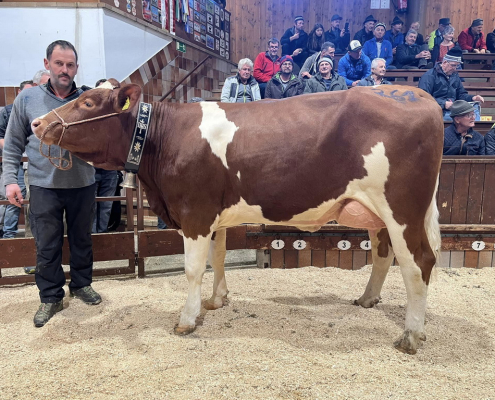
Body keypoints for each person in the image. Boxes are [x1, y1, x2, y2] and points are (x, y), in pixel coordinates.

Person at [2, 40, 101, 328]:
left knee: (82, 239)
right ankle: (50, 296)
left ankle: (81, 285)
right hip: (44, 184)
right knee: (46, 244)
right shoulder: (28, 100)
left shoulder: (87, 99)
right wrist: (10, 180)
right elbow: (12, 144)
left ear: (77, 68)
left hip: (82, 182)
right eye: (59, 63)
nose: (65, 70)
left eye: (70, 65)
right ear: (47, 64)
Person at [0, 80, 35, 241]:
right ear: (19, 93)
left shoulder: (36, 111)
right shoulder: (7, 111)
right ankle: (9, 237)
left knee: (31, 199)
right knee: (14, 196)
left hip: (32, 160)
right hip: (15, 160)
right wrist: (14, 146)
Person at [418, 46, 484, 121]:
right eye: (453, 65)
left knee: (473, 113)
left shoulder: (454, 76)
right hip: (436, 112)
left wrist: (473, 98)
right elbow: (423, 97)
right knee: (462, 120)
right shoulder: (429, 76)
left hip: (453, 111)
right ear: (445, 62)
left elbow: (461, 95)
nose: (455, 68)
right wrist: (443, 103)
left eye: (457, 66)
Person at [92, 79, 119, 234]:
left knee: (107, 204)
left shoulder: (117, 114)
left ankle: (102, 235)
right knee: (91, 205)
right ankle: (93, 237)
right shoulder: (89, 113)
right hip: (92, 167)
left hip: (110, 167)